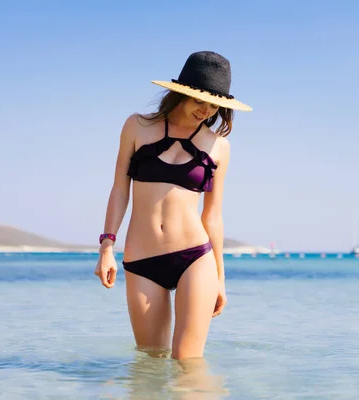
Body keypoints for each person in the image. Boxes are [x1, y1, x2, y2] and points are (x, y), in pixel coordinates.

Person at [95, 51, 252, 360]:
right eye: (199, 101)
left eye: (214, 105)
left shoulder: (219, 146)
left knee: (188, 367)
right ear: (180, 93)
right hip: (142, 261)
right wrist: (106, 247)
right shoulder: (137, 127)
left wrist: (220, 279)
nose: (206, 111)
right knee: (150, 363)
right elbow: (119, 189)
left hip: (195, 258)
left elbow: (213, 216)